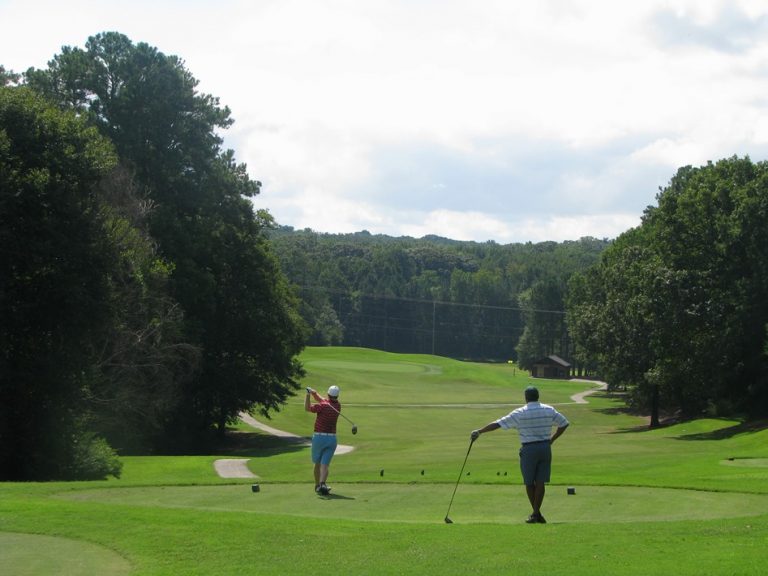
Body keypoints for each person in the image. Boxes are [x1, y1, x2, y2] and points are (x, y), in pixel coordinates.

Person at [470, 386, 569, 524]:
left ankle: (535, 513)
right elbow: (564, 423)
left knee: (529, 482)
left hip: (529, 449)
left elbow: (498, 423)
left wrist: (480, 431)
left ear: (526, 397)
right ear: (538, 396)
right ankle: (537, 514)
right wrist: (552, 439)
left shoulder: (520, 412)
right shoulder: (548, 409)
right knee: (540, 482)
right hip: (545, 448)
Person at [305, 385, 341, 495]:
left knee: (317, 463)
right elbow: (324, 400)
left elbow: (307, 408)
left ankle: (317, 486)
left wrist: (308, 395)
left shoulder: (323, 406)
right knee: (325, 464)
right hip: (332, 439)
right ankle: (322, 484)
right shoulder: (338, 406)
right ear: (337, 395)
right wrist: (314, 393)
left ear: (328, 394)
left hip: (319, 438)